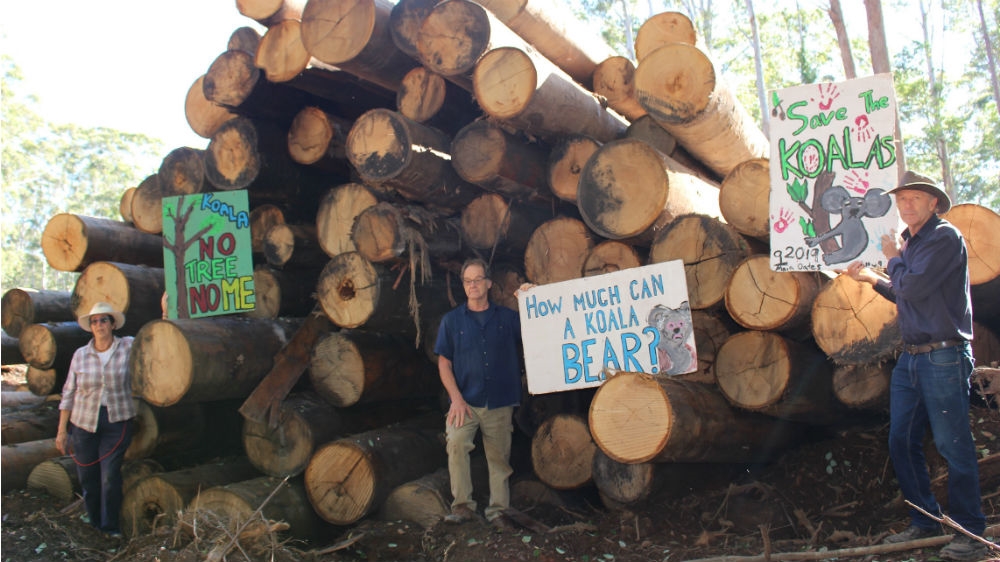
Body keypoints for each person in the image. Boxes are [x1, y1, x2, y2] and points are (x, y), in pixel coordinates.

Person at [841, 171, 987, 561]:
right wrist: (873, 278)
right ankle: (926, 520)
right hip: (913, 356)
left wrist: (890, 257)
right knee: (901, 440)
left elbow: (912, 288)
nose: (906, 205)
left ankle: (971, 533)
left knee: (952, 444)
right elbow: (906, 295)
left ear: (933, 203)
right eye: (902, 200)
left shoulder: (944, 238)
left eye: (914, 199)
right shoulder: (912, 242)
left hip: (943, 355)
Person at [434, 258, 523, 530]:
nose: (473, 285)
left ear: (488, 283)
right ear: (464, 285)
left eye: (477, 279)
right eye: (467, 281)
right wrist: (456, 399)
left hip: (499, 400)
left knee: (499, 458)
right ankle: (462, 507)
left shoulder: (508, 318)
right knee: (457, 444)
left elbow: (537, 331)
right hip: (466, 402)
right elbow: (444, 363)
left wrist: (530, 297)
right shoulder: (451, 321)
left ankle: (498, 511)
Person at [55, 302, 137, 539]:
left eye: (104, 320)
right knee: (88, 478)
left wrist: (165, 311)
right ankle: (94, 525)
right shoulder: (80, 355)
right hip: (83, 423)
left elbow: (155, 340)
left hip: (117, 421)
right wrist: (62, 430)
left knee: (110, 475)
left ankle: (109, 527)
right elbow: (68, 393)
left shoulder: (128, 346)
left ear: (112, 324)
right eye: (94, 321)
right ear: (90, 327)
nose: (99, 325)